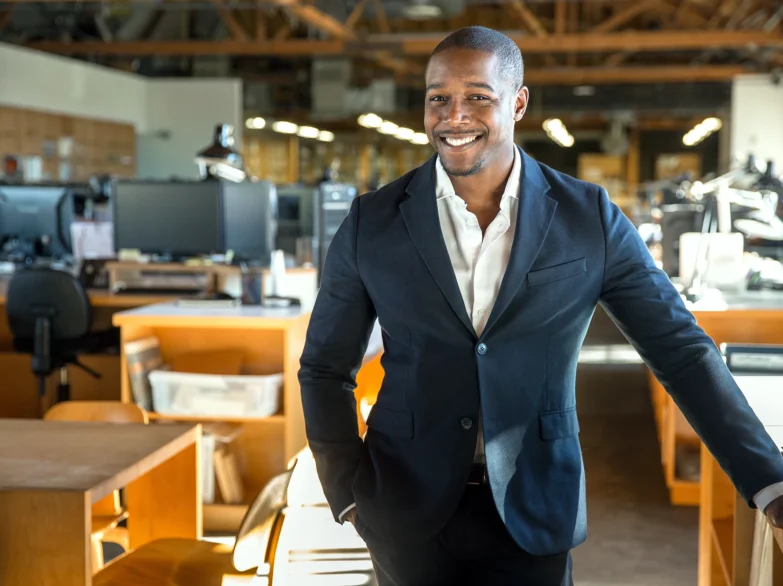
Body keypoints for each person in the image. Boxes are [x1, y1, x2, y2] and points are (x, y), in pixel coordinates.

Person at [298, 26, 783, 586]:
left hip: (535, 505)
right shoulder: (374, 221)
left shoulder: (587, 217)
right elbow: (325, 367)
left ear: (518, 102)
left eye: (478, 96)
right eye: (438, 98)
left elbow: (681, 350)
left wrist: (769, 481)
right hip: (404, 508)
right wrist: (346, 493)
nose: (455, 116)